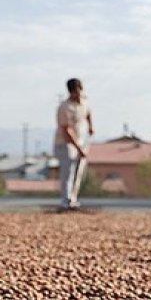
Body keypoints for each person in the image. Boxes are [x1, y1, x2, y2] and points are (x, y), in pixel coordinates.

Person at [55, 78, 94, 210]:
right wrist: (78, 148)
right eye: (76, 92)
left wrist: (90, 126)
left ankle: (73, 199)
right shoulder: (65, 107)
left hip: (81, 142)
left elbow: (88, 113)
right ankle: (65, 201)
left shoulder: (83, 103)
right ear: (71, 92)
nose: (79, 95)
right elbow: (67, 130)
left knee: (78, 173)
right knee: (68, 173)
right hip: (66, 144)